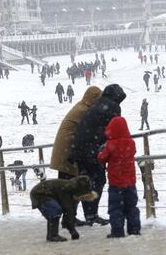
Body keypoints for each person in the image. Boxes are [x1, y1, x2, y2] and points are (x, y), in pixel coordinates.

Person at [70, 84, 126, 226]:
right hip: (91, 150)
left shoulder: (98, 104)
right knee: (98, 181)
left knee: (86, 182)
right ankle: (92, 214)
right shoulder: (112, 106)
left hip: (80, 149)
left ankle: (88, 215)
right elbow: (115, 129)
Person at [50, 86, 101, 227]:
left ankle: (69, 217)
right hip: (68, 153)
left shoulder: (81, 106)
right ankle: (68, 219)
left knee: (69, 186)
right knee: (70, 187)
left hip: (65, 151)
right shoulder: (84, 111)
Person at [97, 116, 141, 237]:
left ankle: (117, 231)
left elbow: (102, 158)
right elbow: (133, 152)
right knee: (132, 206)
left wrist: (100, 152)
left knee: (115, 208)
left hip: (116, 183)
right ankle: (134, 229)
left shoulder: (111, 144)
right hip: (131, 182)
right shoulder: (131, 142)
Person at [30, 176, 98, 242]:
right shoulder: (66, 190)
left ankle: (52, 235)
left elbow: (68, 212)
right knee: (55, 210)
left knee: (55, 211)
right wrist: (72, 231)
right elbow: (67, 210)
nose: (81, 200)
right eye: (82, 198)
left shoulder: (72, 189)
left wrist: (71, 229)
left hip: (44, 193)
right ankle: (52, 235)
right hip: (40, 194)